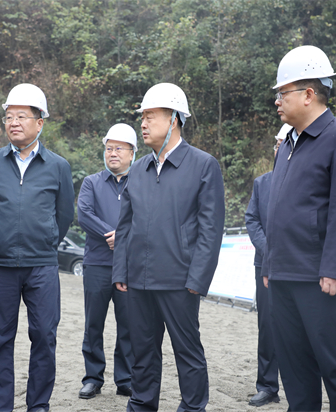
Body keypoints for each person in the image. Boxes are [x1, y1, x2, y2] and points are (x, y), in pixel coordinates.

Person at [262, 45, 336, 411]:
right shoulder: (287, 146)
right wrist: (270, 265)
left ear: (309, 94)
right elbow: (278, 211)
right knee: (295, 373)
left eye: (283, 93)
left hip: (322, 279)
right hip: (284, 276)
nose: (277, 100)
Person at [113, 83, 225, 412]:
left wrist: (197, 279)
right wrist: (121, 271)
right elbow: (125, 225)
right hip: (138, 280)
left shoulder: (203, 165)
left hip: (180, 280)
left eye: (150, 116)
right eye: (142, 117)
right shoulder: (138, 169)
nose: (143, 123)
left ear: (174, 119)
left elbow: (211, 229)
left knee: (187, 352)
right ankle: (141, 405)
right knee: (142, 352)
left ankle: (192, 407)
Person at [0, 83, 75, 412]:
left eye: (21, 116)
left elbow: (64, 214)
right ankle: (0, 406)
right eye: (8, 116)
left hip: (42, 266)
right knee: (0, 338)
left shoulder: (58, 166)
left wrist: (46, 241)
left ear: (39, 122)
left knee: (44, 335)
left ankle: (38, 405)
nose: (13, 122)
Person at [76, 123, 137, 400]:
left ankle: (125, 379)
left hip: (129, 265)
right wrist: (110, 234)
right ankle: (92, 378)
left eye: (119, 148)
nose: (113, 153)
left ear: (132, 152)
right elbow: (84, 214)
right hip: (97, 264)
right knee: (93, 324)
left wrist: (122, 236)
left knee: (128, 325)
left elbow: (148, 216)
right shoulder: (92, 182)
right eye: (109, 148)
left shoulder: (141, 181)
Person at [244, 123, 290, 407]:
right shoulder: (262, 183)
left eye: (285, 144)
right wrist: (268, 251)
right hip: (265, 267)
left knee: (300, 329)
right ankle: (267, 386)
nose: (279, 149)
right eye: (277, 145)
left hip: (299, 266)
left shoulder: (309, 181)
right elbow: (252, 219)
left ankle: (300, 388)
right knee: (268, 327)